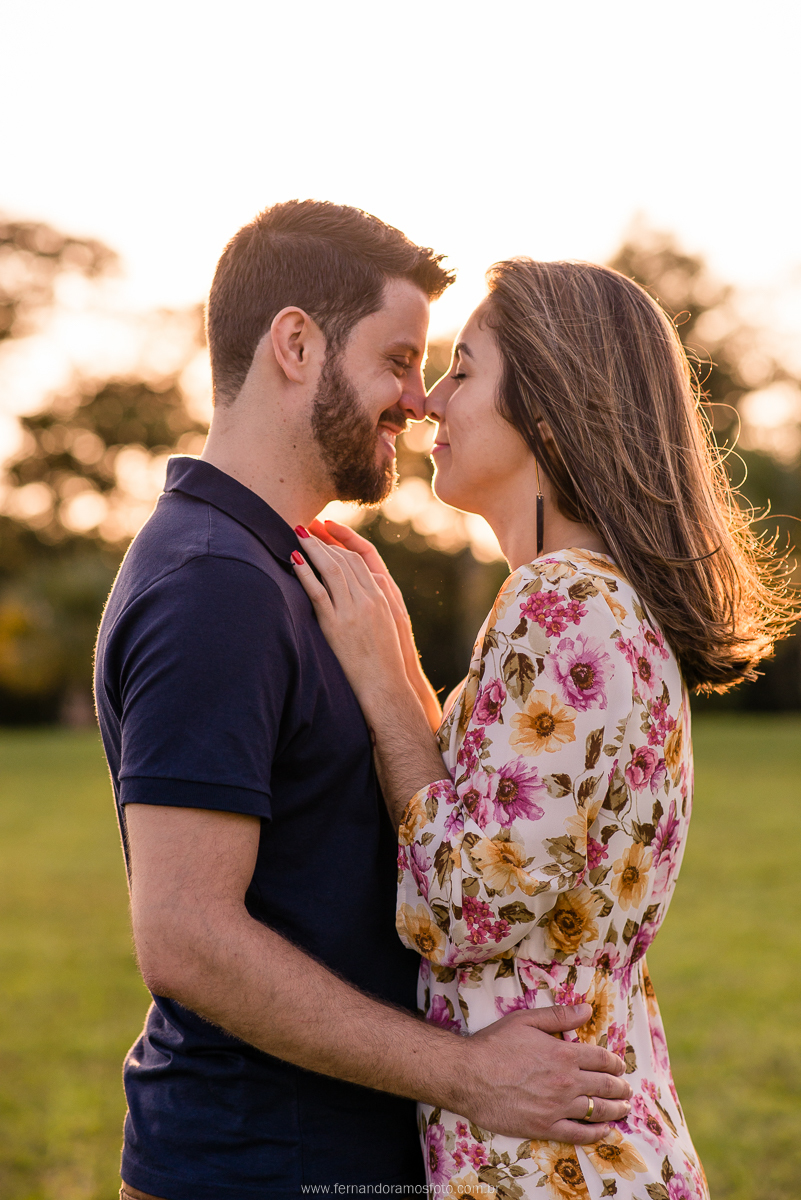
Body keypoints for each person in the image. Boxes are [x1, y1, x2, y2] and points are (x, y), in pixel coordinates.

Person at [94, 208, 632, 1200]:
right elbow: (186, 938)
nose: (419, 402)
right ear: (296, 345)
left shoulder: (294, 569)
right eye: (397, 361)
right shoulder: (215, 587)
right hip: (259, 1169)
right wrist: (470, 1075)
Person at [293, 257, 798, 1198]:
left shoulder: (559, 600)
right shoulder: (601, 602)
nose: (428, 402)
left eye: (462, 370)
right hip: (587, 1140)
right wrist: (397, 658)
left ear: (551, 413)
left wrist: (385, 688)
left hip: (547, 1160)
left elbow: (464, 906)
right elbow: (518, 853)